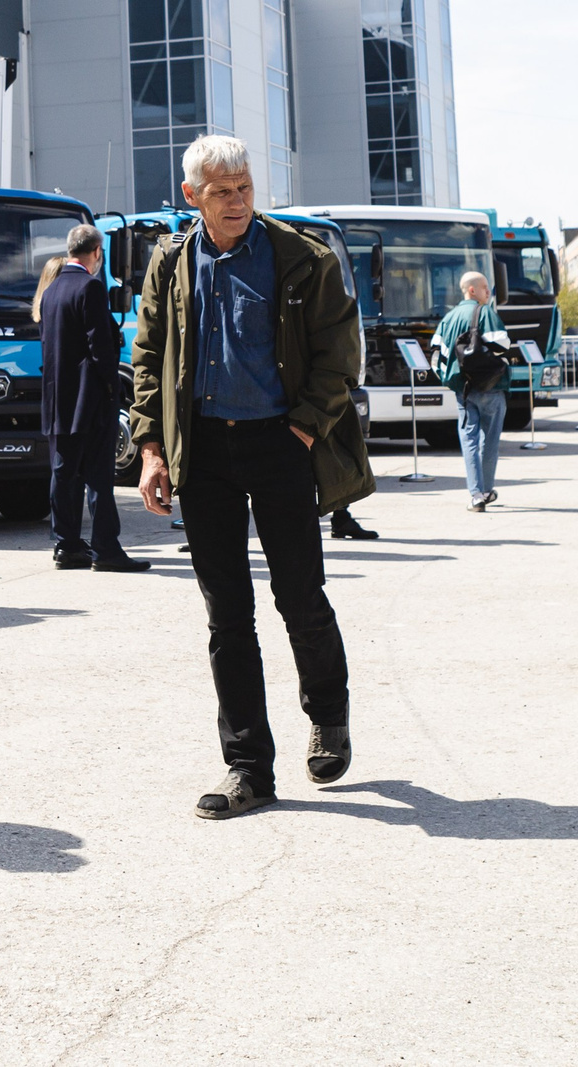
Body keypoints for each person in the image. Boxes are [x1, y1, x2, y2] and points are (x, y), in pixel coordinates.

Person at [132, 134, 371, 820]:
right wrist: (151, 448)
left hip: (279, 444)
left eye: (244, 188)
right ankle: (248, 768)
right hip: (203, 451)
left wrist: (303, 429)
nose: (237, 202)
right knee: (227, 615)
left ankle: (328, 714)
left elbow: (339, 354)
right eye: (222, 192)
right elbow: (148, 355)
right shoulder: (171, 261)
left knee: (300, 596)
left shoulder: (303, 257)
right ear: (192, 196)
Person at [38, 224, 144, 572]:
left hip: (58, 398)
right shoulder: (90, 287)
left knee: (64, 472)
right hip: (90, 398)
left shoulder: (51, 291)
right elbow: (100, 347)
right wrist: (113, 387)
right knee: (99, 476)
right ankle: (106, 549)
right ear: (97, 252)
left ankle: (66, 545)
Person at [433, 271, 511, 512]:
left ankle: (475, 495)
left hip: (463, 391)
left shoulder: (449, 318)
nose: (489, 291)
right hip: (491, 387)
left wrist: (449, 379)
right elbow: (503, 344)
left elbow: (436, 354)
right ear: (472, 290)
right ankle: (486, 490)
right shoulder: (485, 313)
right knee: (490, 441)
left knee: (469, 440)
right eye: (485, 287)